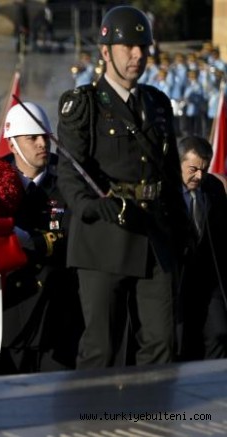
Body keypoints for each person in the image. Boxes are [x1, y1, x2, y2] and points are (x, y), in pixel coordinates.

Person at [56, 5, 189, 369]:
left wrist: (182, 226)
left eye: (143, 47)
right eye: (128, 46)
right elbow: (70, 172)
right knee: (102, 347)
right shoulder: (82, 104)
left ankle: (151, 422)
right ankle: (93, 422)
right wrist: (91, 205)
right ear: (105, 51)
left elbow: (170, 171)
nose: (137, 55)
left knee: (162, 342)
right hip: (105, 235)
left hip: (156, 235)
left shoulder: (157, 102)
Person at [1, 102, 81, 373]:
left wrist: (33, 241)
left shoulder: (68, 179)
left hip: (57, 310)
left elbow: (76, 234)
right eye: (31, 138)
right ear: (12, 144)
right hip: (11, 312)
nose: (41, 144)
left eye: (44, 137)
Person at [176, 136, 227, 361]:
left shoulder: (214, 188)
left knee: (219, 334)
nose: (199, 176)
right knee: (181, 341)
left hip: (208, 279)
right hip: (176, 280)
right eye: (193, 169)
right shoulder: (166, 190)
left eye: (204, 170)